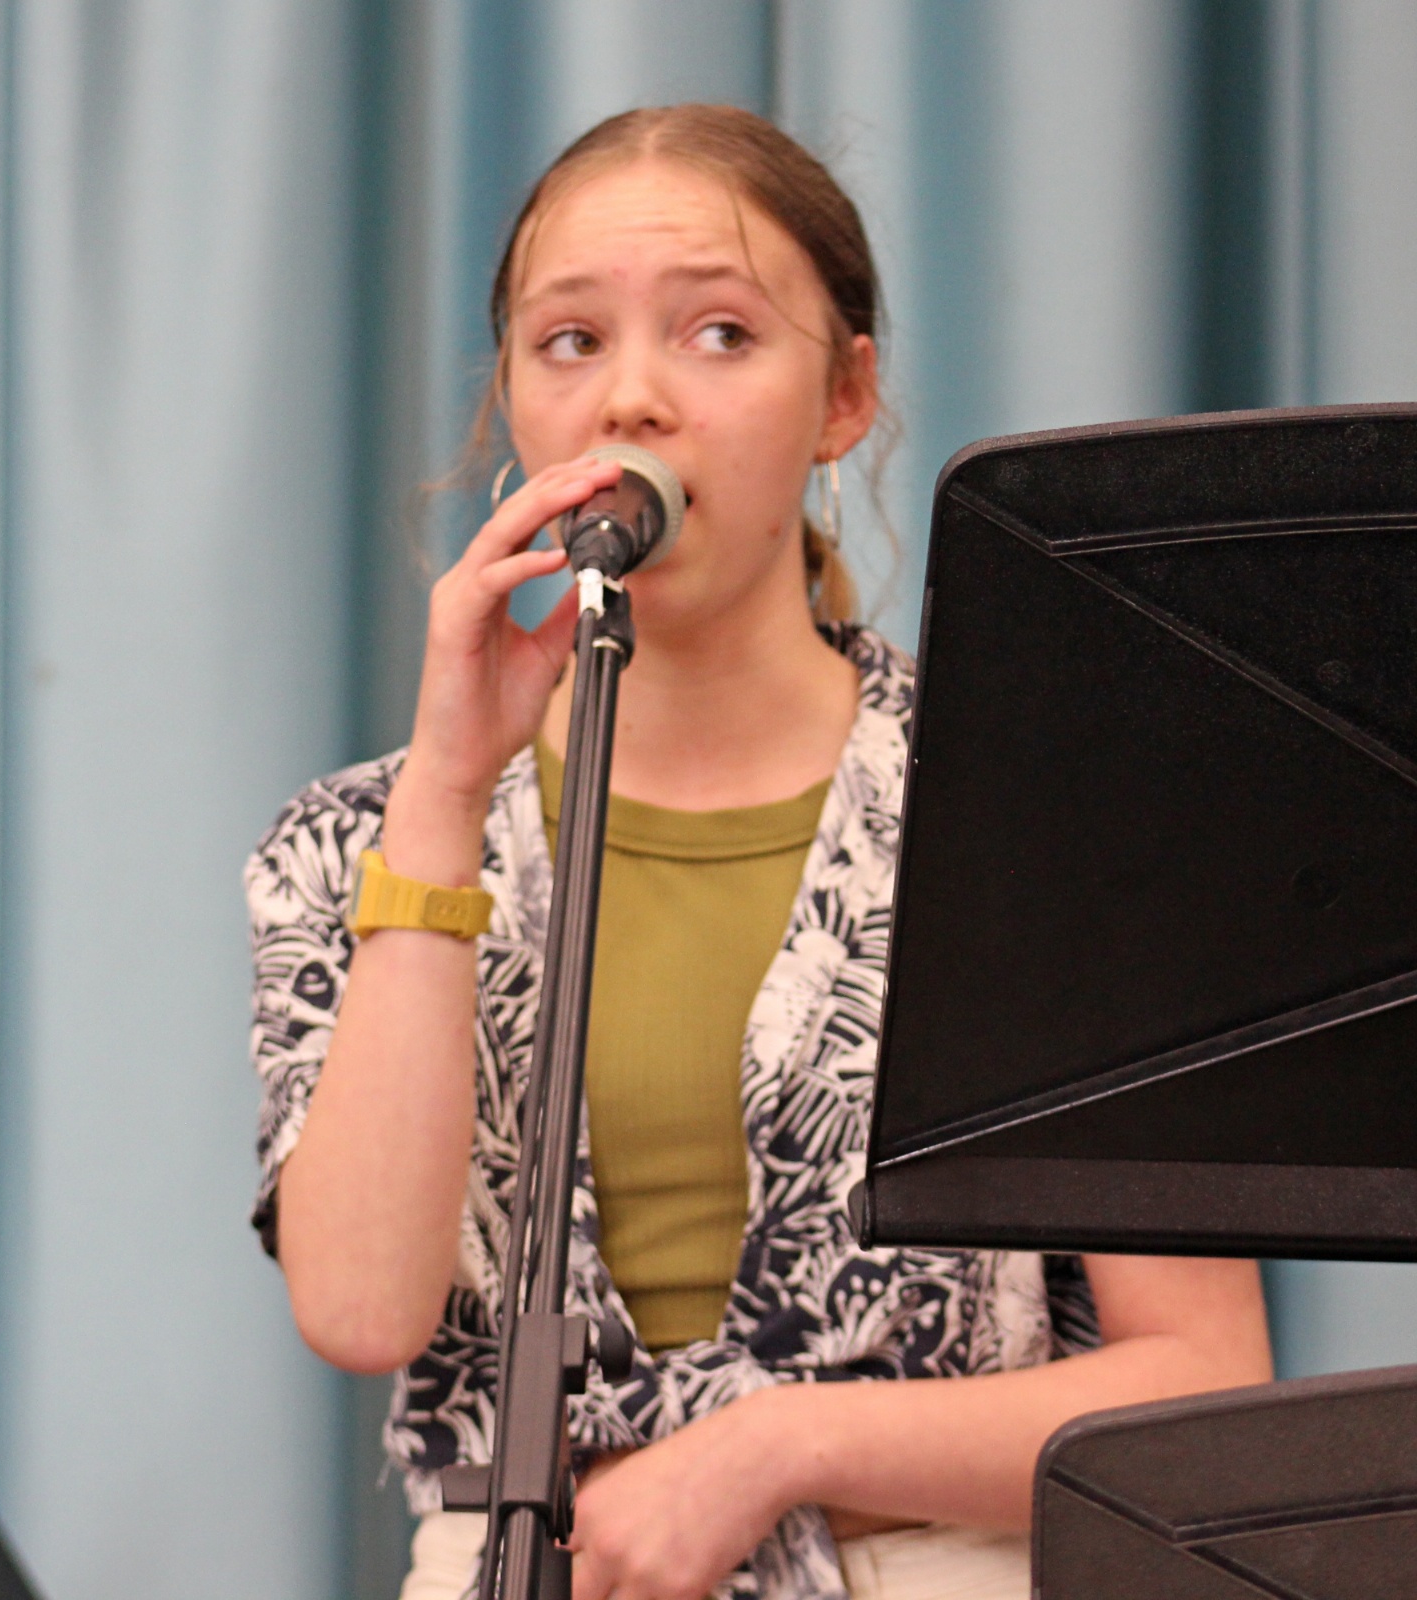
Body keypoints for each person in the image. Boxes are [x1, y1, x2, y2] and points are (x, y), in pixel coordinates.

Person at [246, 105, 1273, 1600]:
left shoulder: (1042, 816)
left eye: (719, 334)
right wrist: (448, 792)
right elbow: (358, 1310)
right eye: (569, 342)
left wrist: (773, 1448)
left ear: (845, 396)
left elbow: (1199, 1379)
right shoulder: (354, 842)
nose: (632, 399)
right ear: (513, 402)